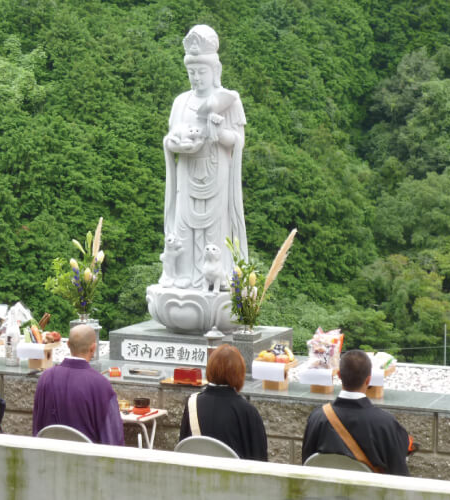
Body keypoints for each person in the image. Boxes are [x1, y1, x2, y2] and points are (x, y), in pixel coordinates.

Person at [161, 24, 248, 289]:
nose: (196, 77)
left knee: (214, 228)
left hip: (216, 174)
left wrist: (219, 132)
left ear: (215, 71)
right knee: (184, 226)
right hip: (187, 174)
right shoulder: (181, 102)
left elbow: (237, 140)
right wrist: (173, 144)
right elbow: (171, 137)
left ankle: (217, 278)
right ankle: (183, 276)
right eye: (191, 72)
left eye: (201, 71)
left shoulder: (228, 100)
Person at [302, 349, 411, 475]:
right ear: (368, 380)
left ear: (339, 375)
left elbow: (307, 464)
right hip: (369, 494)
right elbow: (399, 474)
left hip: (324, 492)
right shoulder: (385, 423)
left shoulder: (317, 418)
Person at [32, 324, 123, 445]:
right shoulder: (101, 385)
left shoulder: (45, 378)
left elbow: (37, 428)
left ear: (68, 344)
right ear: (93, 348)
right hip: (86, 460)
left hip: (49, 457)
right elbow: (113, 440)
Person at [179, 344, 267, 460]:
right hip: (235, 476)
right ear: (239, 373)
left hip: (198, 475)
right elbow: (260, 460)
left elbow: (184, 448)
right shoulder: (248, 412)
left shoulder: (192, 404)